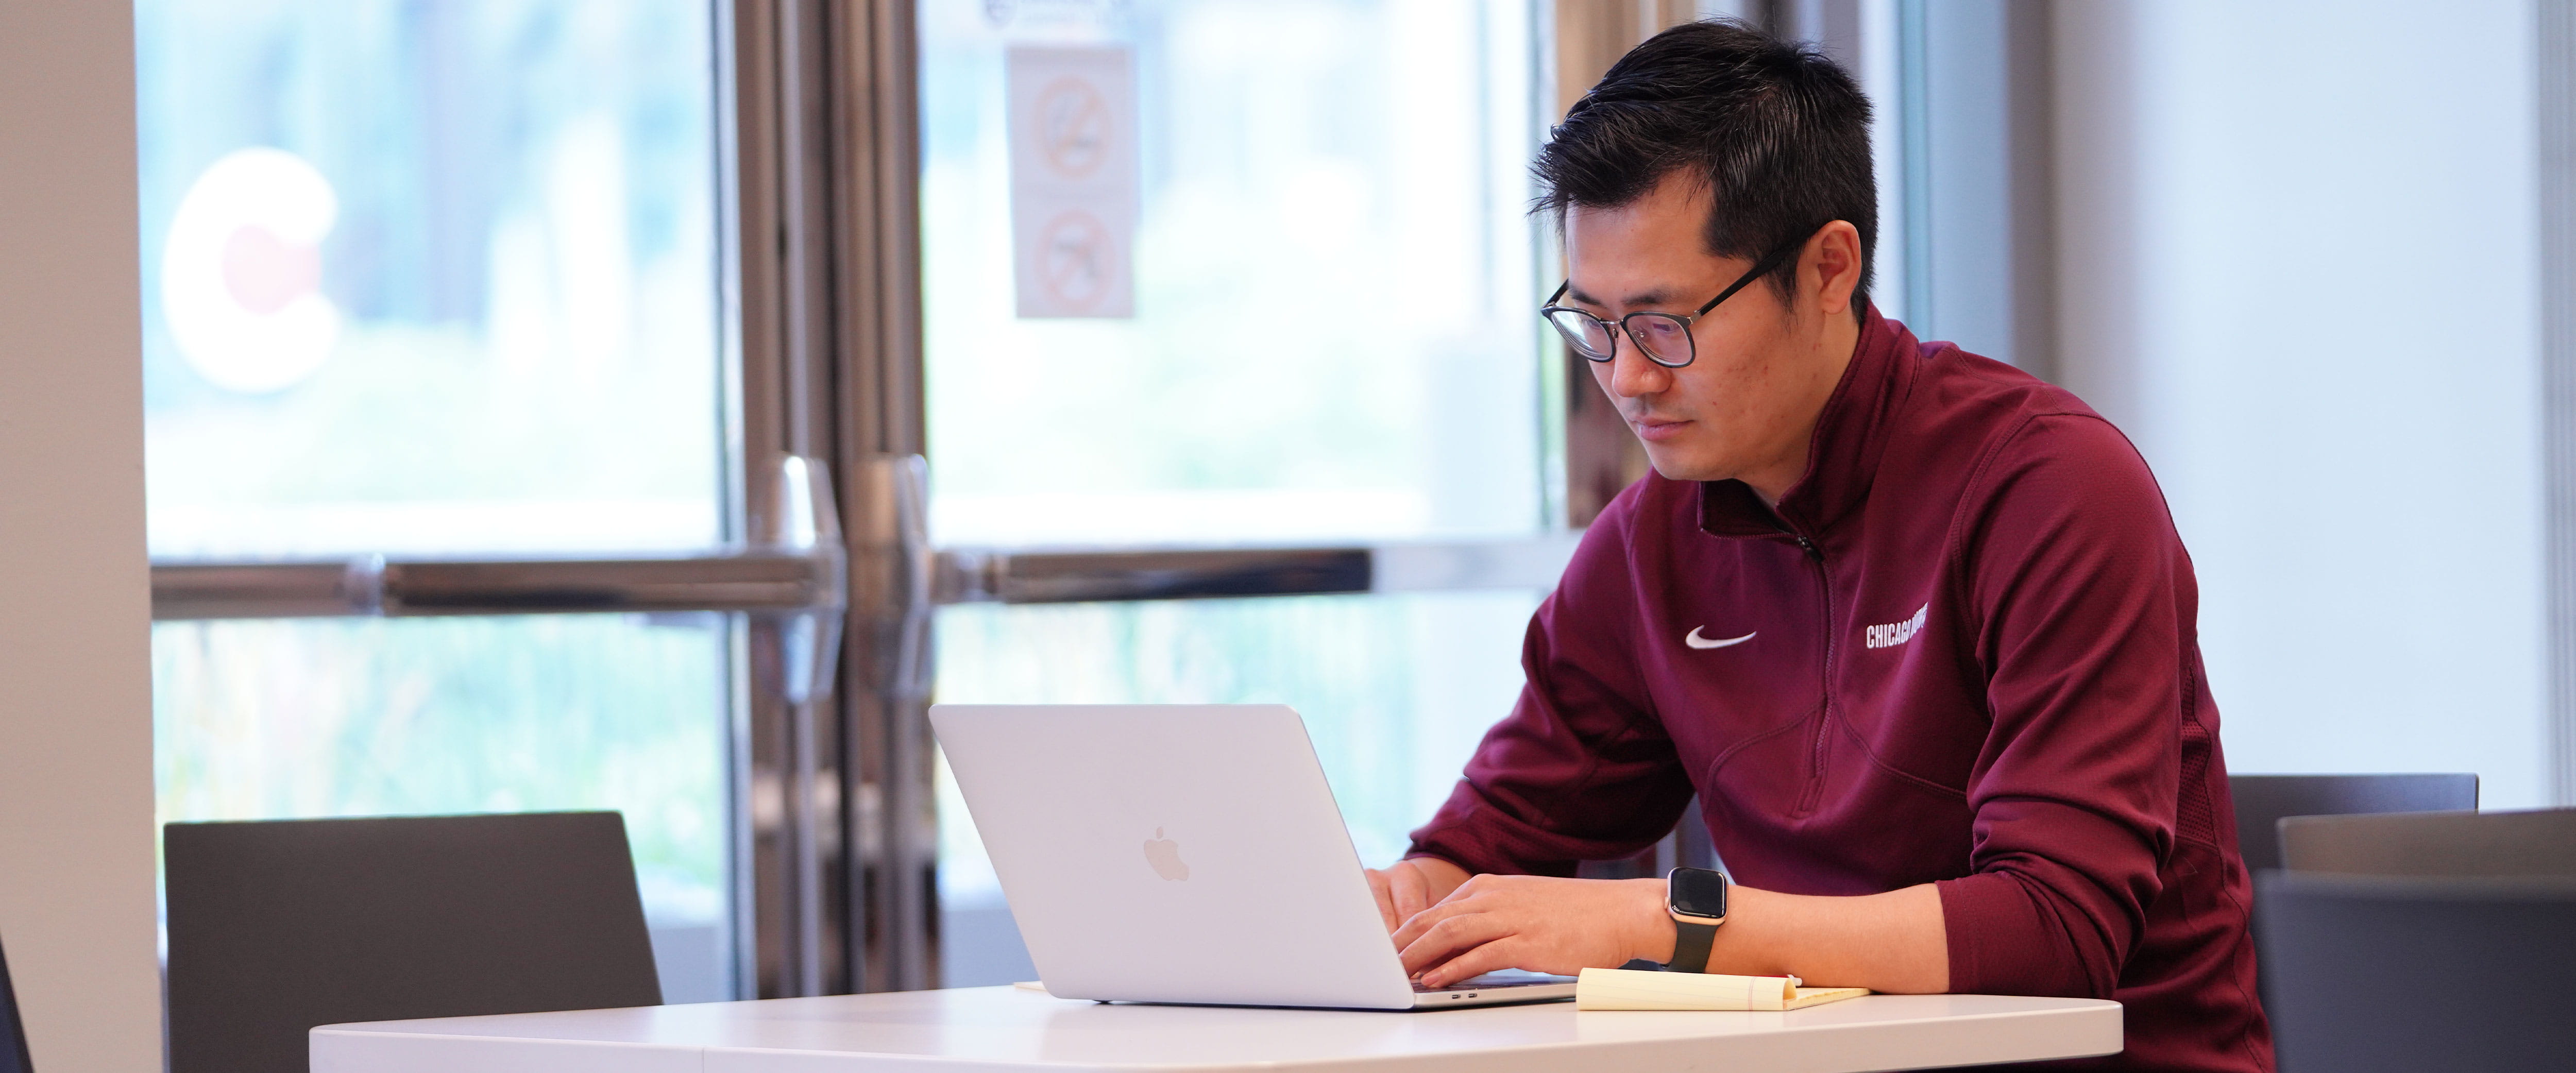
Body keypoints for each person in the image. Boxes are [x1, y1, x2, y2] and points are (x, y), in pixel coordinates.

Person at [1366, 20, 2271, 1072]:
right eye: (1592, 323)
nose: (1625, 378)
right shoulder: (1648, 543)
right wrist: (1396, 901)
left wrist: (1667, 925)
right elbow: (1484, 846)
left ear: (1829, 267)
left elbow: (2053, 931)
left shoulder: (2050, 489)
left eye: (1665, 324)